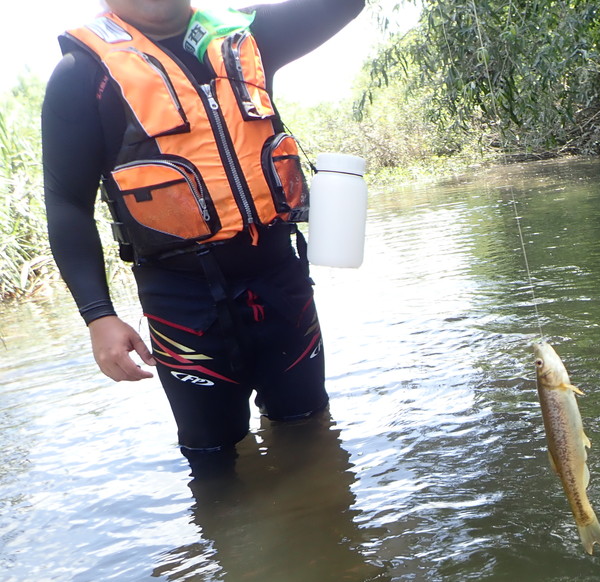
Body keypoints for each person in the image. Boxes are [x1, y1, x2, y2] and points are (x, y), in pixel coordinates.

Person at [42, 0, 365, 477]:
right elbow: (67, 204)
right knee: (213, 461)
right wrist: (98, 316)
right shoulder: (81, 74)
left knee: (310, 435)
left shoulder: (249, 33)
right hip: (182, 302)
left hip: (282, 283)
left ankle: (321, 538)